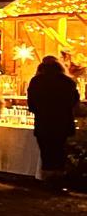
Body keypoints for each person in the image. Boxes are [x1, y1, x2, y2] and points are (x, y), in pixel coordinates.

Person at [28, 55, 80, 192]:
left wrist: (41, 111)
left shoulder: (36, 81)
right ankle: (59, 181)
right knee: (59, 151)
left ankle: (48, 180)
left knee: (46, 152)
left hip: (44, 123)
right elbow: (74, 102)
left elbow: (31, 105)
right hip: (62, 122)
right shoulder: (68, 82)